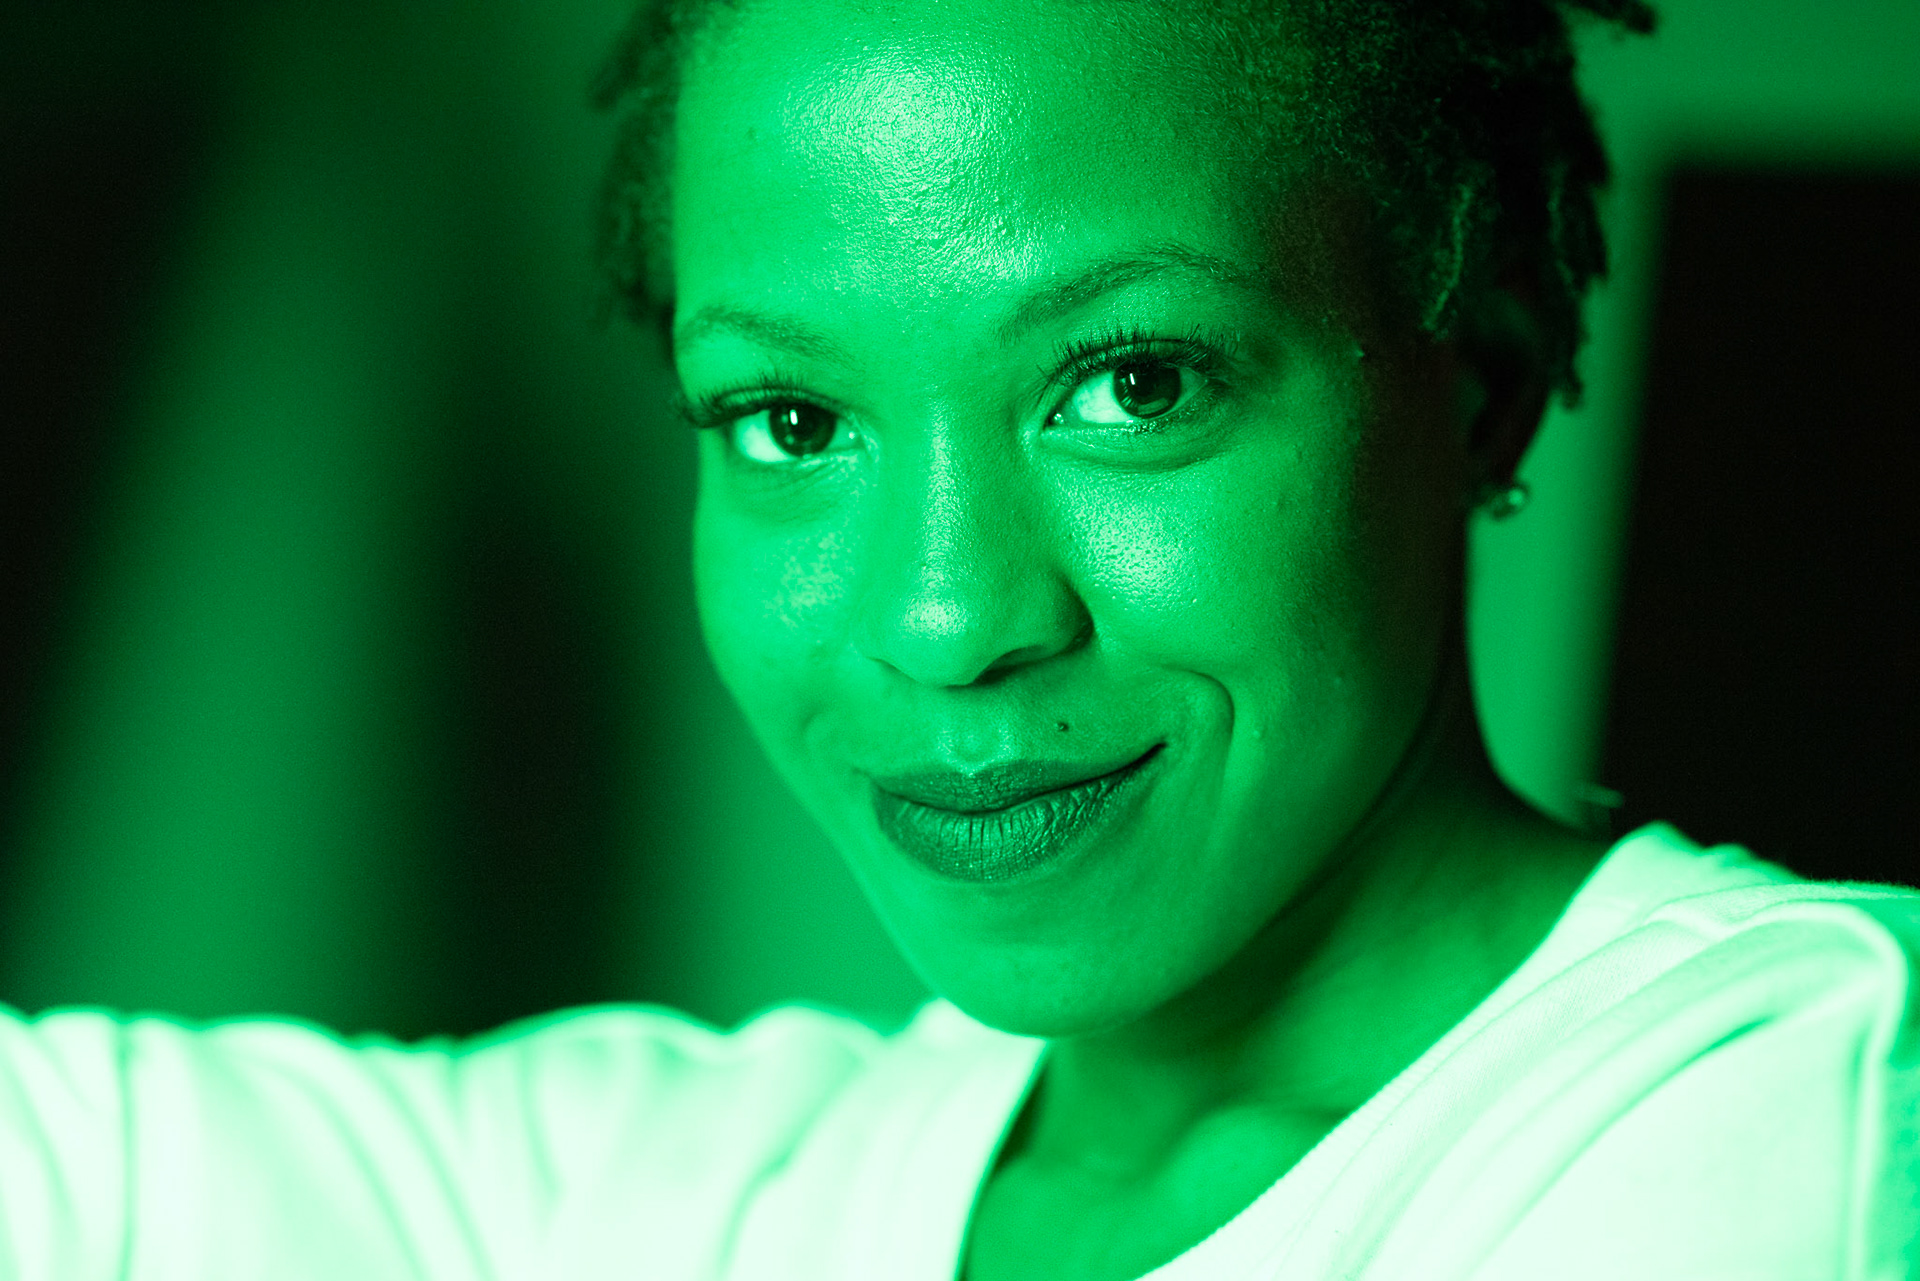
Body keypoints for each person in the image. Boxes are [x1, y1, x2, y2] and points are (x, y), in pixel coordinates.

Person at [1, 0, 1914, 1277]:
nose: (943, 617)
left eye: (1133, 382)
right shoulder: (690, 1190)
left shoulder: (1785, 1100)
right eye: (790, 420)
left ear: (1474, 378)